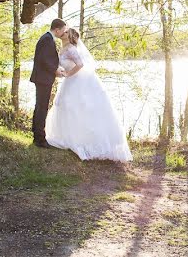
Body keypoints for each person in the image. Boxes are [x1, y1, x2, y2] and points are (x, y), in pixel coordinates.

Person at [46, 28, 132, 162]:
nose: (63, 33)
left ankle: (86, 143)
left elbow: (80, 64)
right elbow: (67, 64)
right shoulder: (63, 49)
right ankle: (70, 138)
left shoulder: (71, 49)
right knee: (68, 108)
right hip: (69, 82)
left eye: (66, 32)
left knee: (81, 109)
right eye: (64, 31)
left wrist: (68, 74)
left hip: (77, 82)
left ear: (71, 36)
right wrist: (60, 72)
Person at [28, 18, 67, 147]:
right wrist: (55, 70)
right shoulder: (47, 40)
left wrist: (55, 69)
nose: (63, 33)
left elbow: (47, 59)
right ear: (57, 29)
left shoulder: (47, 39)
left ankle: (36, 134)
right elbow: (44, 60)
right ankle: (40, 139)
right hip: (43, 79)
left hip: (42, 78)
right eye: (63, 30)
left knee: (40, 106)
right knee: (42, 107)